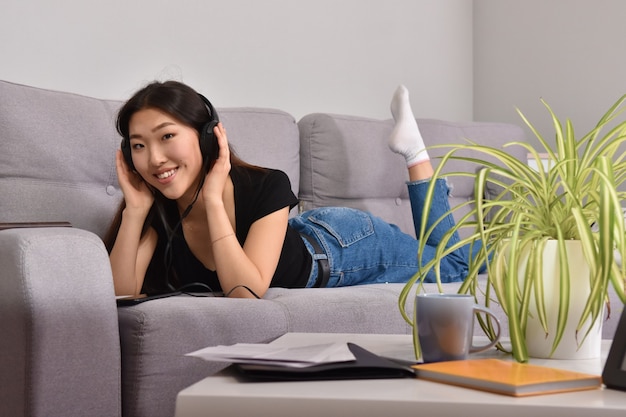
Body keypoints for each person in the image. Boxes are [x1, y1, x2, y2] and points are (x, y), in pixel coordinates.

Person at [105, 81, 470, 298]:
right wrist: (135, 213)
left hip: (344, 246)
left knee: (454, 265)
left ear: (205, 137)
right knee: (457, 258)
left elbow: (246, 292)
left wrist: (213, 201)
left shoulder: (265, 184)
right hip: (306, 233)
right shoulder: (156, 211)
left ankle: (415, 152)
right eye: (138, 145)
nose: (154, 159)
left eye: (167, 136)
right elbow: (120, 295)